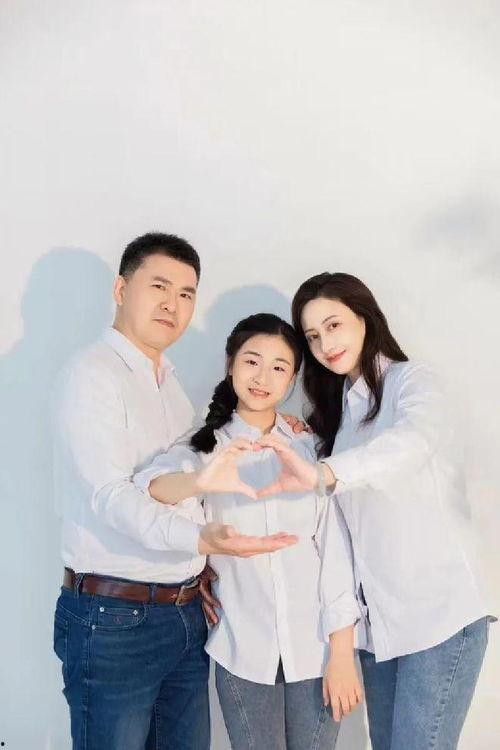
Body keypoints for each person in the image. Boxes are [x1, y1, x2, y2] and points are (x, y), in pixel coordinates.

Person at [51, 233, 298, 750]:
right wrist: (200, 540)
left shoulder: (170, 384)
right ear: (121, 289)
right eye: (159, 286)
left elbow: (192, 479)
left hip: (183, 614)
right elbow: (111, 497)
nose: (173, 304)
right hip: (114, 618)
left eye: (186, 293)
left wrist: (276, 425)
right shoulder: (92, 375)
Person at [248, 272, 494, 750]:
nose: (325, 345)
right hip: (379, 627)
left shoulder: (412, 381)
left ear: (365, 317)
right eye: (312, 336)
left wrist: (325, 472)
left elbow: (412, 443)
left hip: (440, 615)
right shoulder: (340, 418)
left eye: (334, 325)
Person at [133, 313, 365, 750]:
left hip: (316, 650)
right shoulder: (205, 447)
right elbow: (150, 488)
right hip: (241, 649)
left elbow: (336, 556)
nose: (262, 377)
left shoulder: (310, 449)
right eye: (252, 361)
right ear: (230, 364)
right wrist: (201, 482)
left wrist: (341, 653)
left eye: (279, 367)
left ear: (292, 379)